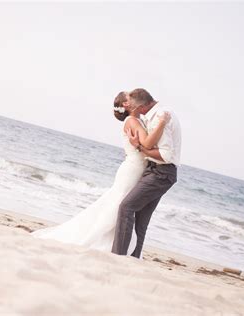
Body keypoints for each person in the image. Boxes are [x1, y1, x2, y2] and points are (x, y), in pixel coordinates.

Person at [31, 90, 171, 258]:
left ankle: (117, 245)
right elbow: (148, 143)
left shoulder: (138, 120)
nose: (134, 97)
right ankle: (110, 246)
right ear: (127, 104)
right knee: (119, 204)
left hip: (136, 167)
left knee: (119, 204)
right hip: (133, 169)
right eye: (130, 97)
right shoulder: (133, 121)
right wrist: (162, 123)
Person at [112, 88, 181, 259]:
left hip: (161, 172)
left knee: (126, 207)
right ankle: (134, 258)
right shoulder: (151, 116)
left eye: (133, 104)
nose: (131, 106)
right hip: (156, 170)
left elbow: (165, 155)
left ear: (141, 106)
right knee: (141, 221)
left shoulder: (159, 117)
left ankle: (118, 257)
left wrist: (139, 147)